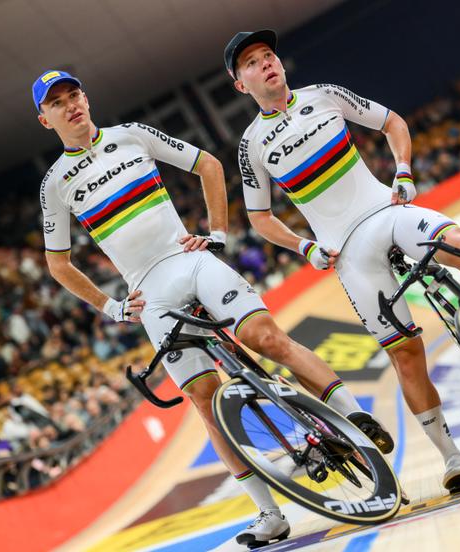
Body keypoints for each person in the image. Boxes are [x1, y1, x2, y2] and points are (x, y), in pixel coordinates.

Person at [33, 70, 392, 547]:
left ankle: (357, 425)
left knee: (267, 339)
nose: (71, 104)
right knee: (204, 401)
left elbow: (209, 166)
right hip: (149, 292)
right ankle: (269, 514)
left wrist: (218, 233)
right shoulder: (55, 183)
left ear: (86, 96)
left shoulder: (132, 135)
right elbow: (57, 264)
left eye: (73, 94)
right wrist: (110, 307)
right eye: (57, 103)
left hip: (191, 260)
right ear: (45, 120)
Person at [226, 30, 460, 497]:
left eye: (269, 55)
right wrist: (304, 247)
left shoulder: (324, 94)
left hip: (388, 212)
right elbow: (258, 218)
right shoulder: (250, 145)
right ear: (241, 85)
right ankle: (450, 455)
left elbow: (393, 123)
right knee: (405, 355)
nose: (266, 63)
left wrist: (403, 170)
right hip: (346, 251)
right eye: (252, 63)